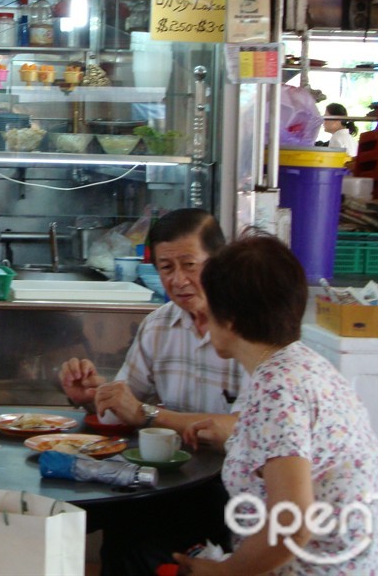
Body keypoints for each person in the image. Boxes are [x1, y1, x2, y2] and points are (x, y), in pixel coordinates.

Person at [175, 234, 378, 575]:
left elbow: (293, 523)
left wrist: (224, 572)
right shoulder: (303, 365)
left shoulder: (278, 389)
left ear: (228, 319)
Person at [58, 208, 246, 575]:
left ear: (220, 263)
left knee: (142, 540)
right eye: (166, 268)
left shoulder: (248, 329)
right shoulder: (158, 325)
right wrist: (92, 396)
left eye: (189, 265)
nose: (178, 280)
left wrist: (147, 414)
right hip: (166, 477)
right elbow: (122, 405)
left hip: (226, 485)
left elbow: (239, 431)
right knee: (103, 518)